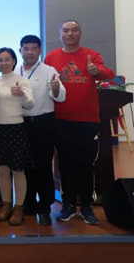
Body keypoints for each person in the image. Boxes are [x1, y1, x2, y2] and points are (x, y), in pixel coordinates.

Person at [44, 20, 114, 225]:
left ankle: (85, 205)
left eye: (74, 30)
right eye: (66, 30)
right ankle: (68, 204)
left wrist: (96, 72)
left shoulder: (92, 55)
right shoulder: (51, 57)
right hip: (61, 120)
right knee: (65, 164)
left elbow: (109, 74)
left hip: (87, 120)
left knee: (86, 164)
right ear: (60, 34)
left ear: (80, 33)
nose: (70, 34)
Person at [16, 35, 66, 226]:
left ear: (39, 50)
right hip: (21, 124)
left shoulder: (48, 71)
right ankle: (28, 204)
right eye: (26, 48)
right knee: (25, 167)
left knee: (43, 166)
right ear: (20, 50)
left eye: (33, 48)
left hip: (43, 123)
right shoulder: (14, 70)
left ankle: (45, 208)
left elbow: (60, 96)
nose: (29, 52)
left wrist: (56, 88)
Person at [0, 47, 35, 226]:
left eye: (7, 59)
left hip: (16, 128)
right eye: (0, 60)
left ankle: (19, 208)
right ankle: (6, 206)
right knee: (2, 170)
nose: (4, 63)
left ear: (14, 61)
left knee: (18, 170)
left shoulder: (21, 81)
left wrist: (22, 94)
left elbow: (30, 104)